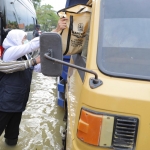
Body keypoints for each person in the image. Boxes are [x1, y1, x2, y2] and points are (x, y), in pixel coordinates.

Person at [0, 17, 67, 146]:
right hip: (5, 103)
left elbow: (36, 68)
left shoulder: (24, 56)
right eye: (23, 38)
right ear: (15, 39)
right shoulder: (9, 52)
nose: (25, 40)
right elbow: (31, 46)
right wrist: (56, 31)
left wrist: (49, 60)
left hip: (18, 102)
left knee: (12, 136)